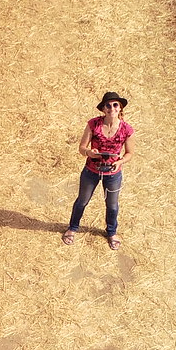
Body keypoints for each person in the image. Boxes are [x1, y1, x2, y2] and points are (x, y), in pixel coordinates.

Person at [63, 91, 133, 248]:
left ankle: (111, 232)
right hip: (91, 170)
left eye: (115, 105)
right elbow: (81, 147)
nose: (112, 108)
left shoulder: (126, 129)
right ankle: (72, 228)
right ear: (103, 109)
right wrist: (89, 152)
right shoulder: (93, 124)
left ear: (120, 108)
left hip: (113, 173)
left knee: (112, 205)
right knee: (82, 201)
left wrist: (120, 162)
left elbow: (129, 153)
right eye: (108, 105)